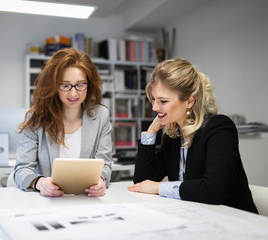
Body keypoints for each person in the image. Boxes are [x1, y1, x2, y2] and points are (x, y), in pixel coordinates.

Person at [128, 58, 258, 213]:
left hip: (236, 222)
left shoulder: (218, 128)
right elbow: (142, 182)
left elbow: (213, 190)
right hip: (195, 217)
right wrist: (151, 132)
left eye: (163, 101)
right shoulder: (173, 136)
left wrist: (159, 187)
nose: (155, 107)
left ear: (189, 101)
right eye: (154, 100)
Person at [14, 48, 112, 197]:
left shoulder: (101, 116)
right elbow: (21, 169)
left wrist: (100, 180)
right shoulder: (37, 118)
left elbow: (105, 165)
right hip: (48, 202)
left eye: (80, 85)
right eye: (65, 85)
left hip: (86, 201)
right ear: (54, 86)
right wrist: (40, 183)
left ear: (89, 85)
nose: (73, 93)